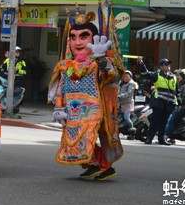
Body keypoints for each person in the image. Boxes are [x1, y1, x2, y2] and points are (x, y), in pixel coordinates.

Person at [48, 11, 123, 181]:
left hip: (92, 109)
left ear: (94, 39)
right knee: (71, 141)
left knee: (86, 138)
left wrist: (102, 60)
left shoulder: (98, 63)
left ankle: (106, 167)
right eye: (73, 38)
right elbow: (61, 87)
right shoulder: (65, 65)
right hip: (71, 110)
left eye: (83, 37)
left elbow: (110, 75)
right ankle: (92, 164)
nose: (77, 42)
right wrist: (59, 107)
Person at [143, 58, 177, 145]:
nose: (168, 66)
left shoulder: (173, 77)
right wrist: (141, 63)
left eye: (169, 65)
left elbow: (176, 90)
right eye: (166, 65)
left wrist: (179, 101)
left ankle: (161, 140)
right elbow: (145, 74)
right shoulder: (157, 74)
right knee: (155, 121)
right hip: (159, 102)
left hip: (169, 103)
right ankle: (149, 138)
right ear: (161, 66)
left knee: (164, 122)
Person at [165, 69, 185, 144]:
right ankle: (172, 138)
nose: (177, 77)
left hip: (183, 107)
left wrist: (178, 103)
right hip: (182, 106)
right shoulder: (182, 85)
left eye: (179, 75)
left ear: (183, 76)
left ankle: (166, 136)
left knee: (172, 121)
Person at [118, 70, 137, 139]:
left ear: (130, 77)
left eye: (127, 76)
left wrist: (121, 95)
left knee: (126, 117)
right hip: (120, 103)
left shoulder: (132, 84)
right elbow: (117, 90)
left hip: (127, 103)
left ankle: (132, 131)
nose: (126, 78)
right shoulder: (120, 82)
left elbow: (129, 93)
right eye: (124, 76)